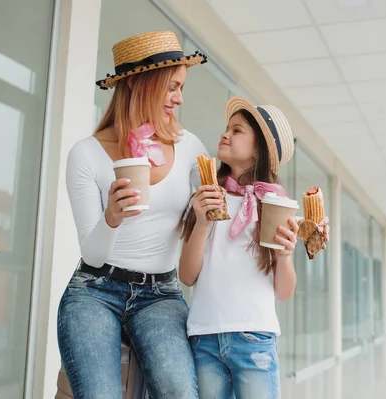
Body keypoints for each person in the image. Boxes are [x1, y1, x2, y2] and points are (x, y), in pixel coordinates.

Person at [57, 31, 208, 399]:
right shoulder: (86, 154)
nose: (179, 99)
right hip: (94, 290)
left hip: (160, 293)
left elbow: (225, 202)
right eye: (172, 87)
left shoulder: (189, 148)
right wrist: (112, 216)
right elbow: (92, 255)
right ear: (142, 84)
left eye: (181, 87)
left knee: (180, 392)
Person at [178, 96, 329, 399]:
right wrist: (202, 221)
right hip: (204, 338)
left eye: (237, 131)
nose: (225, 134)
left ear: (259, 148)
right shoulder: (207, 196)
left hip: (254, 337)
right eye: (226, 128)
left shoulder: (274, 206)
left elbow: (284, 292)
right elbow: (187, 276)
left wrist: (285, 256)